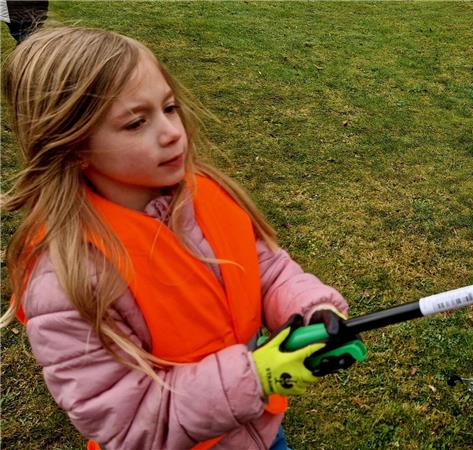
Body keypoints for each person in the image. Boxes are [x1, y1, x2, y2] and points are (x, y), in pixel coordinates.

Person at [1, 26, 359, 450]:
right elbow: (130, 424)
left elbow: (267, 269)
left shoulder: (203, 196)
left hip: (261, 430)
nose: (171, 131)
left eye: (169, 107)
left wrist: (311, 307)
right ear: (73, 146)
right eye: (136, 122)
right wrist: (254, 377)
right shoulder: (69, 278)